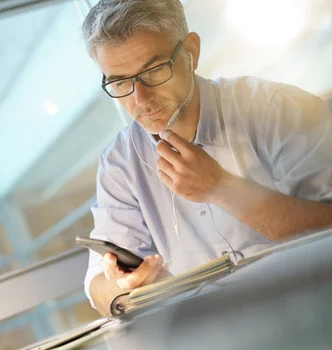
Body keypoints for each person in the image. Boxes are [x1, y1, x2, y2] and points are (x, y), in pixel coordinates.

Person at [81, 0, 332, 316]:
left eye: (154, 70)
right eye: (120, 82)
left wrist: (221, 188)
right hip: (217, 341)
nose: (140, 99)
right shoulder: (119, 163)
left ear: (192, 52)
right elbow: (98, 285)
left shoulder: (278, 109)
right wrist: (120, 288)